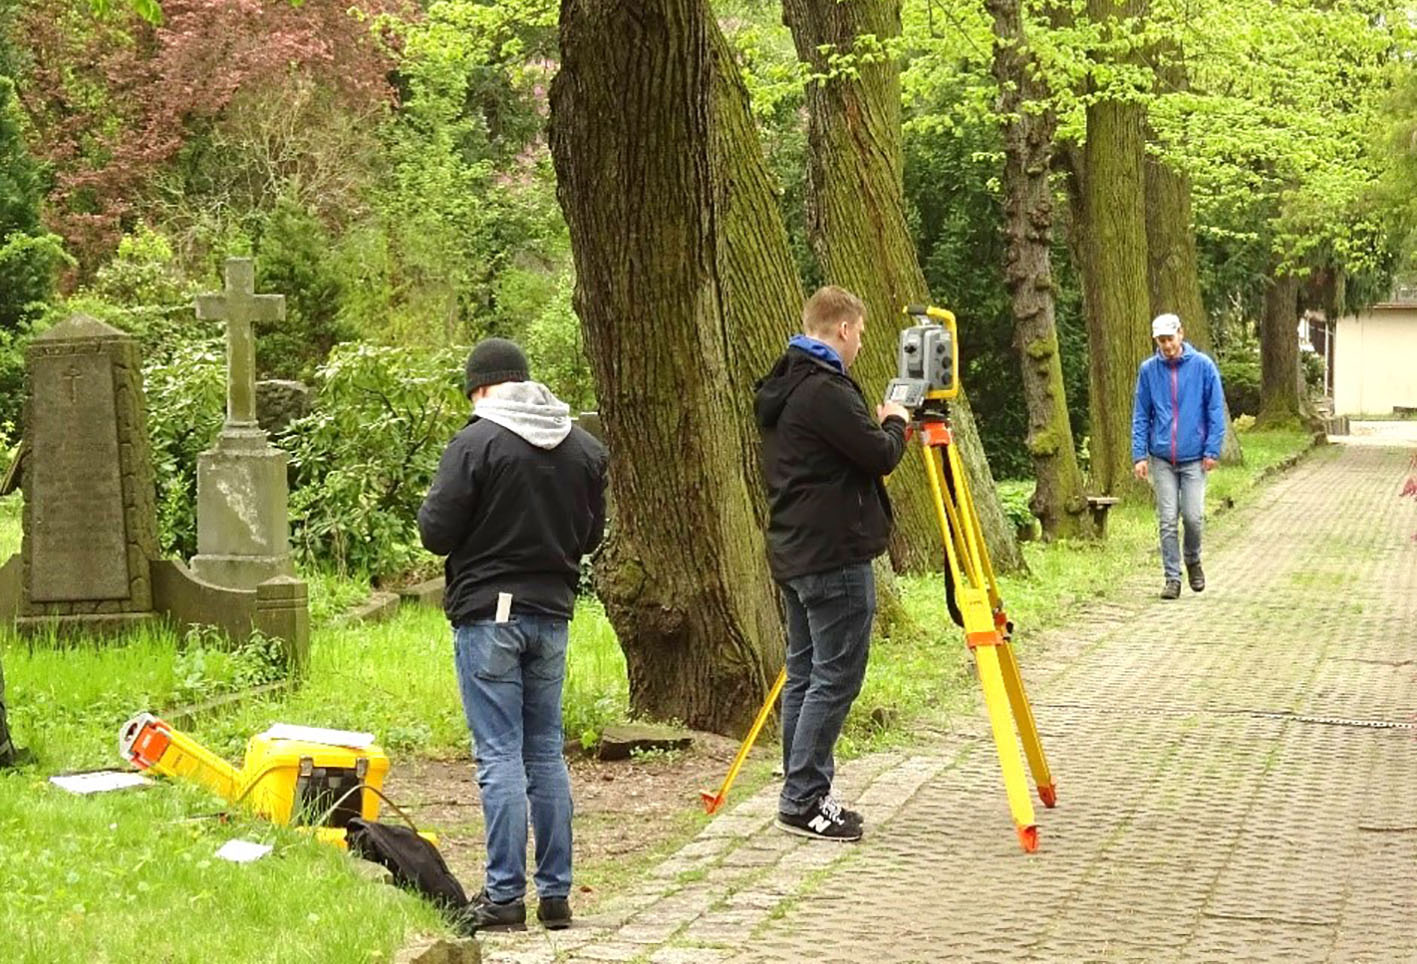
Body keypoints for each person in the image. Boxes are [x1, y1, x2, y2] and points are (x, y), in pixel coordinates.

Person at [418, 338, 608, 933]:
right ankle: (556, 896)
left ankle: (504, 897)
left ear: (479, 388)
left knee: (499, 755)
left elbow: (435, 531)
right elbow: (592, 536)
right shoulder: (583, 448)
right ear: (524, 381)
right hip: (552, 613)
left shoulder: (475, 443)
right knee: (545, 752)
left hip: (489, 616)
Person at [753, 285, 909, 841]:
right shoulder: (825, 390)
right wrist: (894, 419)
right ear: (842, 329)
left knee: (805, 672)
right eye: (861, 334)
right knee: (835, 677)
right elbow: (880, 454)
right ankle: (804, 798)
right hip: (834, 553)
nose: (861, 346)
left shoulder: (785, 382)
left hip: (795, 549)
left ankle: (800, 789)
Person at [1131, 312, 1226, 600]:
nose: (1167, 345)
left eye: (1170, 339)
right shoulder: (1148, 371)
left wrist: (1211, 449)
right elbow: (1141, 415)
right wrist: (1140, 455)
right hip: (1162, 457)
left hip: (1194, 456)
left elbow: (1214, 410)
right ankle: (1172, 577)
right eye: (1161, 341)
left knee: (1193, 517)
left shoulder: (1203, 366)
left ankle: (1193, 559)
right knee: (1168, 519)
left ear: (1181, 335)